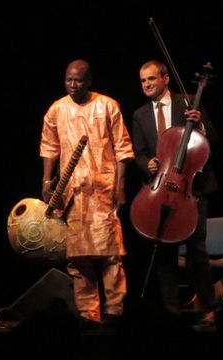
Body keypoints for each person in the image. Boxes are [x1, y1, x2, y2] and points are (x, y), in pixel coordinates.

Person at [40, 59, 135, 328]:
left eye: (78, 80)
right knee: (77, 257)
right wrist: (47, 181)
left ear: (89, 81)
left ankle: (115, 309)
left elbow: (122, 149)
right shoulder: (57, 109)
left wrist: (120, 187)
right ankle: (88, 313)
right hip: (71, 194)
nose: (73, 85)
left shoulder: (107, 105)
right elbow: (49, 147)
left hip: (103, 190)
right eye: (69, 79)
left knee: (110, 253)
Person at [131, 60, 219, 329]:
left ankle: (205, 306)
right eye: (143, 81)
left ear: (166, 78)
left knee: (197, 250)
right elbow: (140, 152)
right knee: (164, 254)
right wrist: (147, 163)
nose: (146, 85)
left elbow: (211, 139)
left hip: (192, 188)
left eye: (151, 79)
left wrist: (200, 123)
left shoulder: (188, 102)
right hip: (161, 189)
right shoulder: (139, 115)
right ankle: (170, 312)